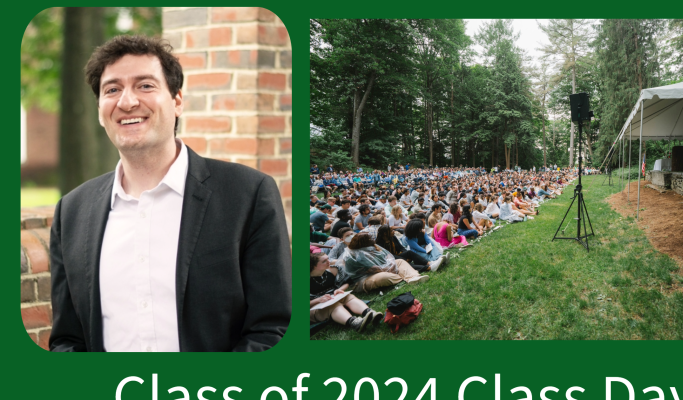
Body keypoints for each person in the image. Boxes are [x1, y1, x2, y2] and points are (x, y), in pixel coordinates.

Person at [49, 35, 291, 352]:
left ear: (177, 101)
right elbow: (68, 339)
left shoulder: (248, 194)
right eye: (112, 89)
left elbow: (273, 329)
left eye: (145, 86)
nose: (127, 101)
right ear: (100, 110)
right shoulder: (71, 212)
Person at [310, 252, 382, 333]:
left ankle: (370, 313)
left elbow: (346, 282)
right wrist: (319, 300)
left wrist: (339, 289)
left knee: (348, 296)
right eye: (324, 261)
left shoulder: (332, 270)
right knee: (334, 305)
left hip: (332, 297)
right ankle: (355, 323)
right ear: (313, 266)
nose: (328, 261)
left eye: (328, 258)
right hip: (314, 307)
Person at [338, 233, 428, 292]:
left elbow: (388, 255)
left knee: (400, 261)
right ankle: (405, 276)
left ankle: (414, 277)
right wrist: (389, 269)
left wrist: (392, 264)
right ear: (363, 243)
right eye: (370, 238)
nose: (373, 238)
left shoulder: (372, 245)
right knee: (384, 277)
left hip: (385, 267)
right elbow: (373, 270)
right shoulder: (355, 255)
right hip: (364, 278)